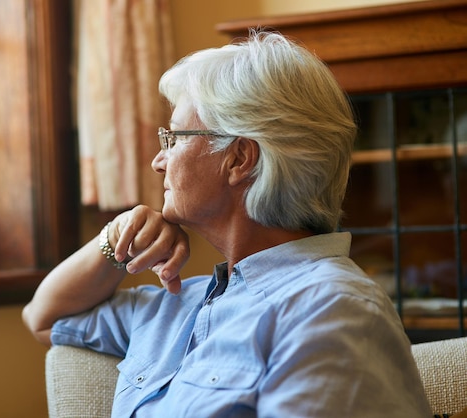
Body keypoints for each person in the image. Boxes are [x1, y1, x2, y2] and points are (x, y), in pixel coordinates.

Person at [22, 29, 432, 417]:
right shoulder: (179, 303)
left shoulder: (331, 309)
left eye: (175, 139)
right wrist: (116, 241)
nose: (158, 161)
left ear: (238, 158)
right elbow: (44, 318)